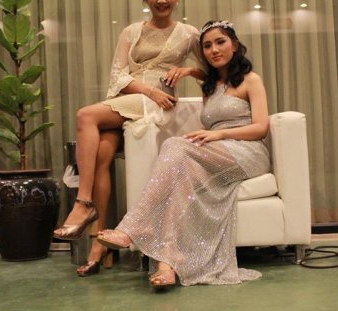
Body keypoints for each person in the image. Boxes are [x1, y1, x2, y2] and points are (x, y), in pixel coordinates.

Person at [53, 0, 205, 276]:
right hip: (130, 98)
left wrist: (186, 71)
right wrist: (147, 89)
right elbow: (117, 76)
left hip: (158, 103)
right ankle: (99, 245)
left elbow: (211, 71)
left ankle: (83, 203)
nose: (161, 0)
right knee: (102, 155)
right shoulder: (131, 31)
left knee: (85, 115)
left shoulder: (189, 34)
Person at [97, 20, 271, 288]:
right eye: (207, 46)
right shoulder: (210, 87)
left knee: (174, 145)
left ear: (235, 45)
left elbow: (261, 128)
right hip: (219, 153)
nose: (214, 50)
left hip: (247, 152)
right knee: (180, 179)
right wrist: (191, 72)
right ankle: (167, 265)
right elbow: (208, 97)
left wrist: (218, 135)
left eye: (220, 42)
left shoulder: (251, 80)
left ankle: (132, 228)